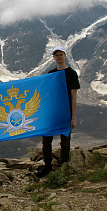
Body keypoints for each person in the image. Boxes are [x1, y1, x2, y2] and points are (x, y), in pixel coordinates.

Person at [36, 46, 80, 178]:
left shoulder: (72, 74)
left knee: (65, 141)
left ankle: (64, 166)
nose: (59, 57)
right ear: (53, 58)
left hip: (66, 112)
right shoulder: (51, 74)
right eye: (57, 55)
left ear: (65, 56)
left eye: (61, 54)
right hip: (52, 113)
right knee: (46, 141)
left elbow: (74, 97)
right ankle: (47, 166)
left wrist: (73, 117)